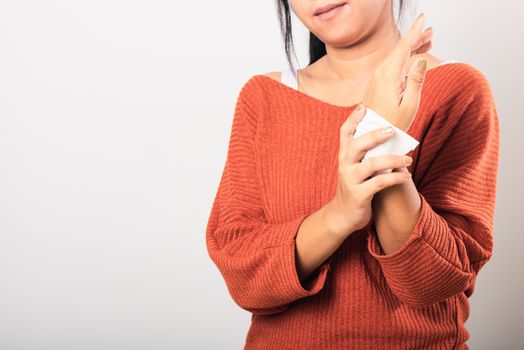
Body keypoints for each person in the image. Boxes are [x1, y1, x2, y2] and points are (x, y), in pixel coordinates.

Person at [205, 1, 500, 349]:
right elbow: (244, 277)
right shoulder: (265, 97)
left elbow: (434, 283)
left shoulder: (456, 88)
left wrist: (382, 135)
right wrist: (338, 216)